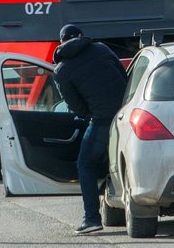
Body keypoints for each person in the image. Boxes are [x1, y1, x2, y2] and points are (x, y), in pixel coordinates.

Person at [53, 23, 128, 235]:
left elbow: (75, 106)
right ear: (81, 36)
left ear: (61, 43)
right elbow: (123, 78)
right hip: (127, 113)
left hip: (102, 119)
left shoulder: (62, 71)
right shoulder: (102, 49)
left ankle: (92, 218)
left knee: (85, 163)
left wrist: (92, 111)